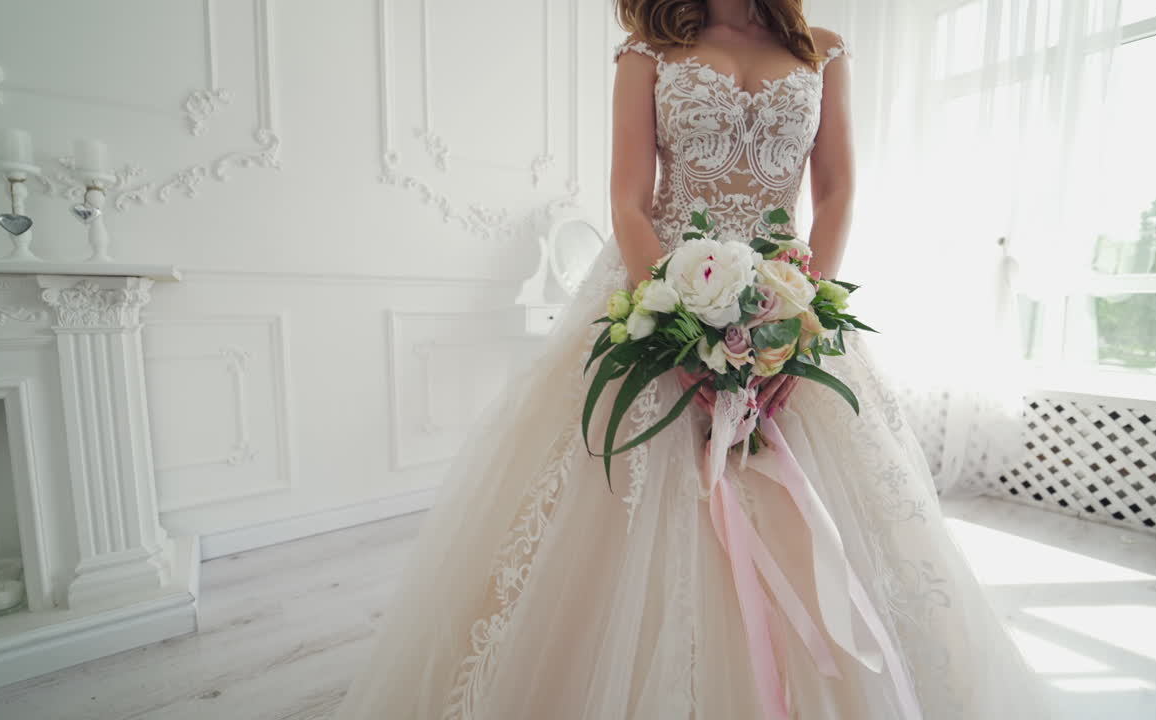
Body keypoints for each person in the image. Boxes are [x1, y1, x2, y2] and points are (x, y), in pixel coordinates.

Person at [335, 1, 1049, 717]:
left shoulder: (823, 51)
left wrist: (798, 322)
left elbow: (836, 192)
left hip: (788, 296)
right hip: (662, 293)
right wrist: (677, 326)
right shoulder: (646, 53)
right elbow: (629, 204)